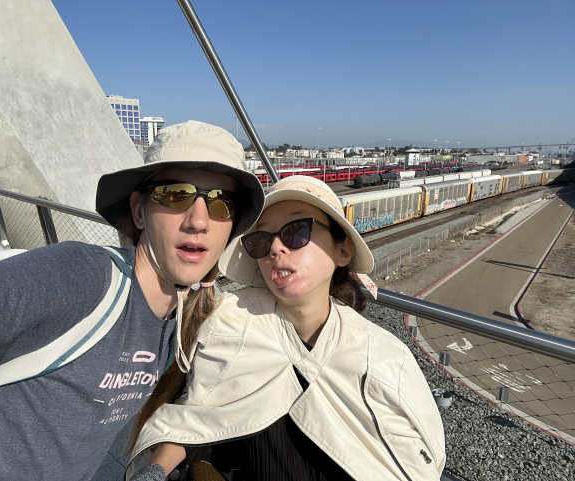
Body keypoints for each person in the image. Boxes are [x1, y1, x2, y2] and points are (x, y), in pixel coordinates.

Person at [0, 120, 265, 480]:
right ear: (139, 211)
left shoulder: (184, 319)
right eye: (175, 194)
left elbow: (195, 408)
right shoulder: (78, 275)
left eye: (222, 203)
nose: (199, 220)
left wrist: (154, 470)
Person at [127, 176, 446, 481]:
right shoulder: (237, 326)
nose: (276, 249)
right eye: (262, 239)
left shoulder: (384, 357)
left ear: (342, 251)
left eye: (296, 231)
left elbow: (419, 458)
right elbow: (198, 410)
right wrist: (155, 469)